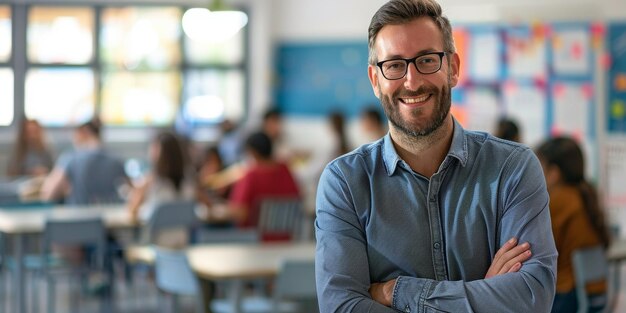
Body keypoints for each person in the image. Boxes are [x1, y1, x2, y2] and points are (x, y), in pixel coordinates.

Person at [314, 0, 557, 312]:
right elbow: (342, 307)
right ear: (376, 80)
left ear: (453, 68)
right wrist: (484, 293)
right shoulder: (345, 182)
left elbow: (532, 297)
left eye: (427, 60)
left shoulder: (513, 168)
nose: (412, 81)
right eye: (394, 65)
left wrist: (396, 293)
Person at [535, 137, 611, 313]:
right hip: (596, 292)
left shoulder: (558, 200)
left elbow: (539, 250)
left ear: (554, 172)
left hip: (567, 296)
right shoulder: (586, 193)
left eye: (539, 167)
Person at [40, 118, 129, 205]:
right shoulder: (116, 160)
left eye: (75, 136)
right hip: (109, 217)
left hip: (78, 217)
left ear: (83, 133)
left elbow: (48, 195)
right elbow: (131, 192)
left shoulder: (70, 159)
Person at [226, 131, 300, 230]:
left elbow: (240, 213)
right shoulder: (285, 170)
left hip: (254, 239)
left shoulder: (251, 176)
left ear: (253, 152)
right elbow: (298, 198)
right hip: (285, 238)